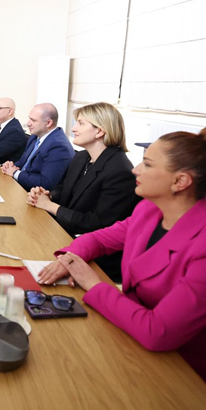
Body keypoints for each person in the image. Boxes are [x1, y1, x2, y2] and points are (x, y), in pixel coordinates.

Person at [38, 128, 206, 410]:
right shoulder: (149, 210)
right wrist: (70, 258)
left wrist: (93, 285)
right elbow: (100, 238)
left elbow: (158, 332)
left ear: (180, 181)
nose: (135, 169)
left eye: (147, 164)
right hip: (144, 347)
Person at [27, 102, 139, 282]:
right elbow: (63, 188)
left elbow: (96, 223)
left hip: (99, 260)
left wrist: (49, 206)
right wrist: (48, 195)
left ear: (99, 131)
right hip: (68, 236)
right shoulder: (82, 156)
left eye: (80, 123)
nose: (73, 128)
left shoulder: (120, 171)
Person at [2, 103, 74, 192]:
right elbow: (23, 162)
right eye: (29, 119)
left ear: (48, 123)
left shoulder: (59, 147)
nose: (28, 123)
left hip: (31, 193)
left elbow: (45, 183)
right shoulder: (35, 136)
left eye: (33, 120)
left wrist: (15, 173)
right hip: (18, 185)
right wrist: (10, 166)